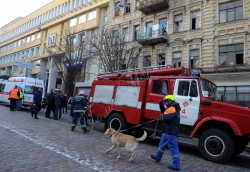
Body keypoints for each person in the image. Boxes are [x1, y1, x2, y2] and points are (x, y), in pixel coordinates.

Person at [150, 94, 181, 171]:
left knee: (173, 149)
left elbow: (166, 117)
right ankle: (157, 157)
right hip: (168, 131)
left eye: (166, 101)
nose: (166, 103)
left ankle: (176, 166)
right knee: (161, 145)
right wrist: (161, 104)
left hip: (171, 132)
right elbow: (164, 112)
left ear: (170, 101)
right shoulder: (171, 108)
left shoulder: (172, 108)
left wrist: (162, 116)